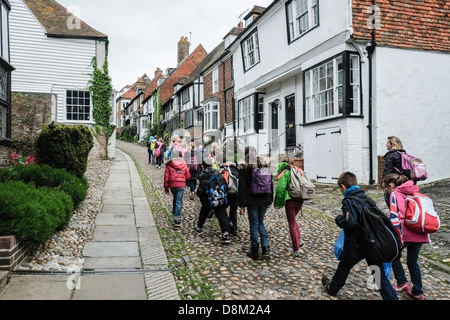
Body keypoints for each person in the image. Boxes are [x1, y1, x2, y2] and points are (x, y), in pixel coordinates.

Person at [322, 171, 398, 300]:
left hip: (356, 243)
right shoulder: (366, 197)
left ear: (343, 187)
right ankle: (390, 297)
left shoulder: (349, 200)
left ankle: (333, 288)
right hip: (371, 241)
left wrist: (339, 219)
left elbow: (350, 222)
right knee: (377, 271)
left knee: (345, 266)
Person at [383, 173, 429, 300]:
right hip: (420, 231)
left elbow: (396, 216)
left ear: (391, 185)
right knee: (413, 262)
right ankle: (417, 292)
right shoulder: (414, 191)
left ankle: (402, 282)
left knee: (392, 255)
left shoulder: (395, 194)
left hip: (407, 232)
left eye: (386, 187)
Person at [238, 147, 273, 260]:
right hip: (264, 199)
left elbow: (242, 188)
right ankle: (265, 246)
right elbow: (271, 184)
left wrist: (242, 205)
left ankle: (254, 250)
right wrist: (270, 199)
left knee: (254, 224)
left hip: (252, 200)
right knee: (261, 223)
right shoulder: (264, 166)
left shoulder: (244, 168)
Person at [193, 158, 232, 244]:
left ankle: (199, 227)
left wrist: (198, 193)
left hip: (208, 199)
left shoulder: (203, 175)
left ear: (202, 166)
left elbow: (201, 190)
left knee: (204, 211)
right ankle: (226, 234)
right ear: (211, 165)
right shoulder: (218, 173)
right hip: (218, 197)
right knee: (222, 214)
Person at [274, 155, 304, 257]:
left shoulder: (285, 172)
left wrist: (277, 203)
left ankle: (296, 249)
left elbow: (280, 189)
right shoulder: (298, 170)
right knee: (293, 220)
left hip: (290, 200)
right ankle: (299, 239)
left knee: (291, 222)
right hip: (300, 199)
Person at [164, 150, 191, 228]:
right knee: (179, 200)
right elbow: (188, 176)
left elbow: (166, 178)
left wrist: (166, 188)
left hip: (172, 185)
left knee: (175, 198)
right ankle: (177, 218)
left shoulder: (169, 165)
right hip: (181, 185)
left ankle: (174, 212)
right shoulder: (184, 163)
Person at [382, 136, 408, 205]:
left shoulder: (390, 155)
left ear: (392, 144)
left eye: (387, 143)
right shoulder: (404, 154)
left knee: (390, 199)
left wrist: (384, 183)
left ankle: (395, 214)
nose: (386, 145)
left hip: (394, 181)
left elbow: (387, 170)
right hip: (404, 181)